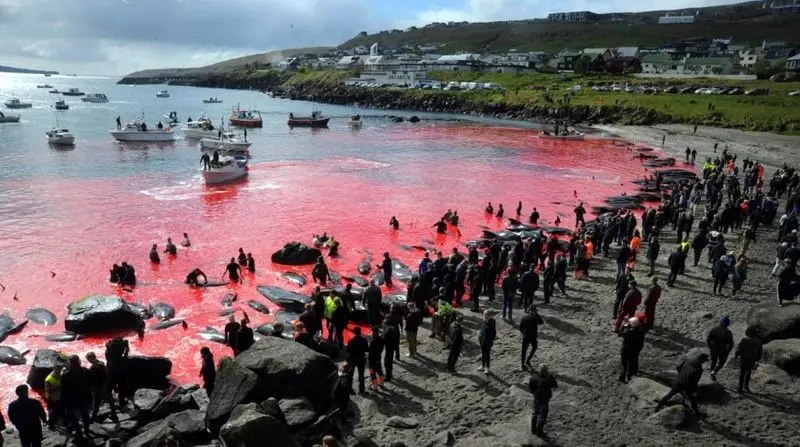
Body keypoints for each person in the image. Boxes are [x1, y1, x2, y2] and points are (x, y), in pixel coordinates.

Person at [654, 352, 709, 417]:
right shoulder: (699, 369)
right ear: (702, 360)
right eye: (704, 361)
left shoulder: (688, 360)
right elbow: (695, 381)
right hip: (688, 385)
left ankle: (657, 407)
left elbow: (678, 367)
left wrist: (681, 375)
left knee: (669, 395)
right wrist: (694, 391)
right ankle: (697, 412)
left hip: (679, 381)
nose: (704, 362)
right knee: (693, 398)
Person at [61, 355, 92, 439]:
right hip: (84, 397)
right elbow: (90, 383)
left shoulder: (65, 375)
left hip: (72, 399)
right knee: (85, 414)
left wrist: (63, 402)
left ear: (70, 363)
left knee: (72, 416)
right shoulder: (85, 370)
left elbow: (63, 390)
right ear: (79, 361)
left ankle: (78, 430)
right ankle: (86, 429)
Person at [86, 352, 118, 423]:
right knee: (110, 401)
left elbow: (94, 379)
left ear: (91, 358)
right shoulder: (101, 363)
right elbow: (107, 375)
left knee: (96, 403)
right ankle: (114, 415)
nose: (88, 361)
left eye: (88, 359)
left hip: (99, 388)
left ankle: (93, 418)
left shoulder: (94, 367)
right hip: (107, 386)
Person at [528, 364, 558, 436]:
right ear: (546, 371)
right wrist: (550, 376)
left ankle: (533, 430)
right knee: (543, 416)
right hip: (544, 400)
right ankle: (539, 432)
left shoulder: (533, 378)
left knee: (535, 413)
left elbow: (530, 389)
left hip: (536, 398)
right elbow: (555, 384)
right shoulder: (546, 381)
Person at [618, 316, 646, 383]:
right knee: (633, 362)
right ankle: (630, 376)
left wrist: (623, 326)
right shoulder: (642, 331)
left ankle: (623, 377)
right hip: (636, 349)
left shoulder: (629, 332)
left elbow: (620, 334)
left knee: (624, 363)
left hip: (626, 349)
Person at [735, 327, 763, 393]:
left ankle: (740, 387)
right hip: (752, 359)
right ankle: (746, 386)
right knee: (748, 372)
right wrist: (757, 360)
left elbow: (739, 349)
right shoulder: (758, 342)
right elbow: (760, 352)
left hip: (744, 358)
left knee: (742, 373)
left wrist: (736, 355)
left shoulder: (744, 340)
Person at [706, 316, 734, 381]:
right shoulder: (728, 332)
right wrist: (728, 350)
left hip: (714, 349)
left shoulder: (714, 329)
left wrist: (710, 347)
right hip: (723, 350)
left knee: (713, 362)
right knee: (721, 363)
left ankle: (711, 373)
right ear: (727, 324)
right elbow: (731, 343)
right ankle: (714, 372)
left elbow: (708, 340)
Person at [105, 337, 130, 407]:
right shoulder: (118, 356)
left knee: (110, 386)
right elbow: (124, 360)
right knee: (121, 386)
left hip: (110, 370)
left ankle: (109, 399)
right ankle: (121, 400)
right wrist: (126, 352)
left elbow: (109, 345)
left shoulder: (107, 352)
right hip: (119, 372)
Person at [346, 327, 368, 394]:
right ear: (360, 332)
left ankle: (350, 389)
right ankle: (361, 389)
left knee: (350, 375)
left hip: (352, 359)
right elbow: (367, 350)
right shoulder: (364, 340)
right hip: (361, 359)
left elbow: (348, 352)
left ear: (354, 332)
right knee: (361, 375)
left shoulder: (351, 340)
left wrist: (347, 360)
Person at [478, 310, 497, 374]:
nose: (484, 316)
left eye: (485, 315)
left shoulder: (492, 322)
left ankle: (487, 368)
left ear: (489, 316)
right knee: (483, 354)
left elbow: (493, 331)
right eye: (483, 315)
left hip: (488, 341)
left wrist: (486, 322)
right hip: (482, 340)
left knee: (487, 354)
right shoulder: (484, 320)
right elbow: (482, 330)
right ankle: (483, 365)